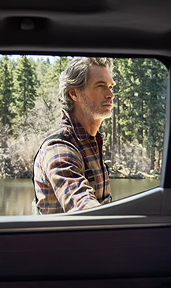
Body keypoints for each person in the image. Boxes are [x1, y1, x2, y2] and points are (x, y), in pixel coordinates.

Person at [33, 57, 114, 214]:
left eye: (111, 87)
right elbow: (82, 205)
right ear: (74, 93)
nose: (110, 94)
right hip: (64, 239)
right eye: (100, 86)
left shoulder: (92, 141)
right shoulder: (59, 148)